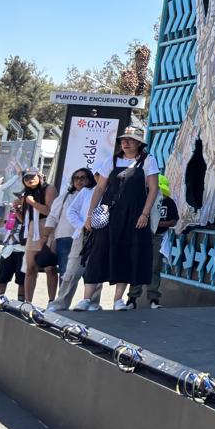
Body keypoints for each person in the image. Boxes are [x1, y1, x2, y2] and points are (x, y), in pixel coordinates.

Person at [82, 124, 159, 311]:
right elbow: (100, 188)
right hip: (109, 213)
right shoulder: (111, 160)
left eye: (131, 140)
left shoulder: (148, 161)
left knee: (126, 253)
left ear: (139, 143)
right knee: (98, 252)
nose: (126, 143)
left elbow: (153, 189)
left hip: (133, 214)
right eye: (124, 140)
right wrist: (90, 215)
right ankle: (86, 299)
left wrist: (145, 213)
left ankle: (118, 300)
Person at [48, 173, 102, 312]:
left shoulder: (111, 191)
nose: (100, 177)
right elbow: (71, 211)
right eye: (98, 174)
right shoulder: (86, 192)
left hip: (101, 236)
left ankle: (93, 302)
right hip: (82, 236)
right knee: (71, 270)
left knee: (96, 269)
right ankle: (60, 303)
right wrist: (81, 225)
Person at [127, 174, 177, 310]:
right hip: (141, 236)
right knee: (137, 265)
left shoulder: (169, 202)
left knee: (154, 267)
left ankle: (153, 298)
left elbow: (174, 220)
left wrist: (159, 223)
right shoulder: (143, 200)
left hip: (158, 237)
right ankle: (132, 298)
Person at [45, 169, 94, 280]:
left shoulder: (95, 195)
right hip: (66, 238)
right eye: (76, 178)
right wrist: (48, 238)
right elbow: (52, 217)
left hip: (90, 238)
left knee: (91, 274)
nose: (79, 181)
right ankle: (63, 293)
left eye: (82, 178)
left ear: (90, 179)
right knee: (65, 273)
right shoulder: (65, 197)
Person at [18, 169, 56, 304]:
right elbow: (24, 218)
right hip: (32, 228)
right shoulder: (26, 193)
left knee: (50, 268)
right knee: (30, 268)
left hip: (47, 225)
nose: (30, 180)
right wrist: (17, 210)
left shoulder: (49, 188)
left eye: (32, 177)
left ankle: (52, 301)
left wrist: (33, 203)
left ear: (39, 176)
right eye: (26, 178)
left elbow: (50, 211)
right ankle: (28, 302)